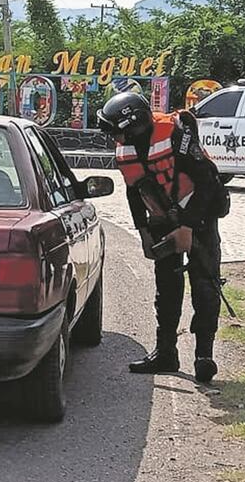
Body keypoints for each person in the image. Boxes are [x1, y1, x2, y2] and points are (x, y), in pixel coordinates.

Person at [97, 93, 230, 383]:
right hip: (162, 219)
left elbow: (207, 182)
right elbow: (134, 192)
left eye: (118, 131)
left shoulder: (177, 136)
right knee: (167, 288)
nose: (115, 139)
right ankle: (166, 353)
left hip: (200, 214)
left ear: (135, 125)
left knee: (204, 285)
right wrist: (143, 233)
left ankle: (203, 356)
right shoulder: (127, 149)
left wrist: (188, 227)